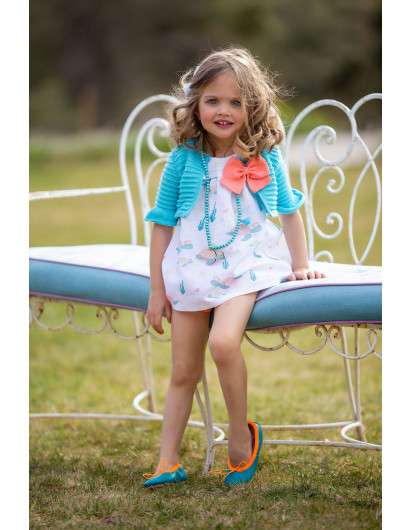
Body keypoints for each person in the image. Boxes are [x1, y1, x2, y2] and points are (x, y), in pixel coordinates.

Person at [142, 47, 326, 488]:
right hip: (192, 268)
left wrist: (301, 264)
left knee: (224, 344)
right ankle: (168, 461)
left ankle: (241, 439)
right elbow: (162, 224)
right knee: (183, 370)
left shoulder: (264, 157)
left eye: (235, 102)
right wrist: (156, 289)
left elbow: (289, 211)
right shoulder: (183, 160)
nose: (223, 111)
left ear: (252, 107)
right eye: (212, 100)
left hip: (246, 264)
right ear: (195, 105)